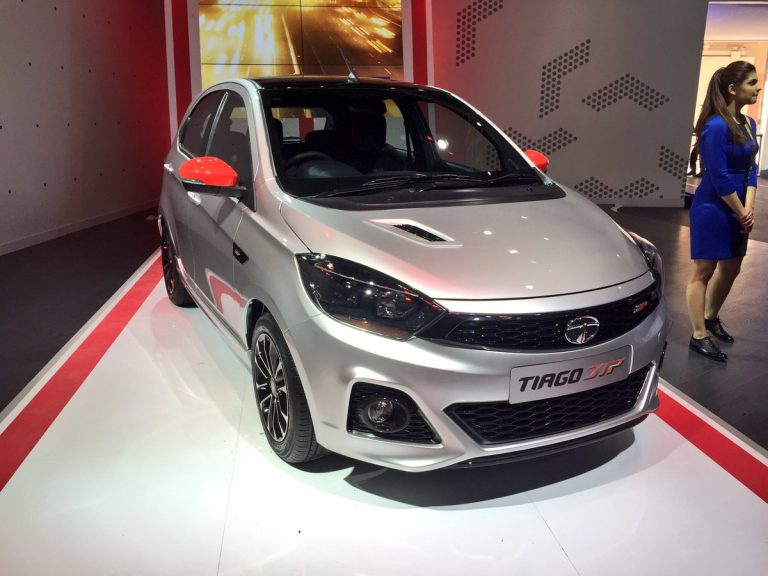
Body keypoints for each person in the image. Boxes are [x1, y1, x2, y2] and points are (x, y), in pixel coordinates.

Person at [686, 61, 760, 361]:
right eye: (752, 82)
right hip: (713, 208)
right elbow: (718, 176)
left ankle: (710, 316)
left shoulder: (749, 123)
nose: (758, 88)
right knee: (704, 271)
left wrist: (749, 207)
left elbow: (752, 170)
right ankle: (698, 335)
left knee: (732, 268)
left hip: (739, 207)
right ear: (732, 88)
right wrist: (742, 211)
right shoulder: (715, 126)